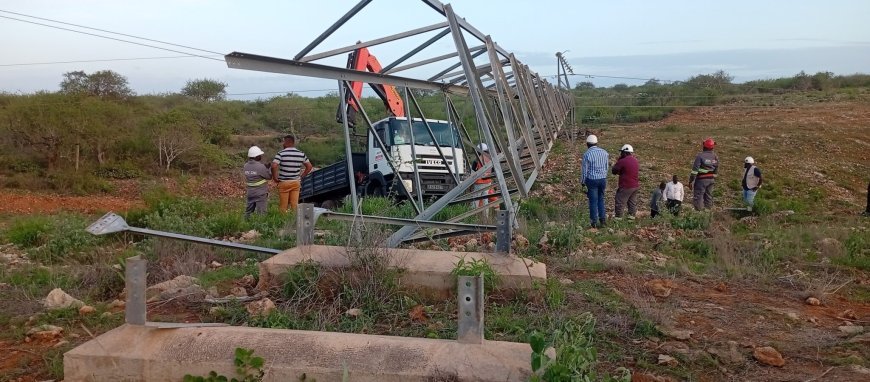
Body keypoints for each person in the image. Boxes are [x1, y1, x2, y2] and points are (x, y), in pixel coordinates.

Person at [272, 135, 313, 212]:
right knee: (294, 206)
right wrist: (302, 176)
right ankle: (295, 222)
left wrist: (275, 178)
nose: (282, 144)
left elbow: (274, 166)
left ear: (286, 142)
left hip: (284, 182)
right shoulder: (301, 154)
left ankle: (283, 222)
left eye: (283, 142)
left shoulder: (281, 153)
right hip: (296, 182)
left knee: (283, 207)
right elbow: (309, 166)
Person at [581, 135, 609, 228]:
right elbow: (606, 167)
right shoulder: (605, 152)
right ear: (596, 143)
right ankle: (603, 220)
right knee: (601, 199)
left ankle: (593, 222)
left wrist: (582, 182)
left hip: (592, 180)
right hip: (602, 179)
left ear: (587, 144)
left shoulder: (587, 154)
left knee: (593, 201)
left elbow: (584, 171)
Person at [688, 138, 719, 211]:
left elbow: (694, 171)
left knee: (698, 196)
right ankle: (708, 212)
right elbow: (716, 170)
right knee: (709, 196)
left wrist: (691, 181)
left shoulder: (700, 156)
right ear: (712, 147)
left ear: (704, 146)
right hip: (711, 180)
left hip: (701, 180)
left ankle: (699, 213)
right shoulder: (715, 157)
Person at [612, 144, 640, 220]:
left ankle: (618, 218)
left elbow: (614, 171)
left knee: (620, 200)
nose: (620, 154)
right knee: (632, 202)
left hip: (626, 185)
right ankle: (631, 218)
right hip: (635, 186)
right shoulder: (635, 160)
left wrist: (619, 160)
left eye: (621, 152)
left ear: (625, 152)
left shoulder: (622, 161)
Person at [243, 146, 271, 219]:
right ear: (256, 156)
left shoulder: (245, 166)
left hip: (250, 193)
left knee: (248, 212)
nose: (261, 156)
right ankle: (260, 227)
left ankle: (245, 225)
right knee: (261, 213)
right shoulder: (261, 167)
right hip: (260, 193)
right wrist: (268, 169)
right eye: (259, 155)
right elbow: (269, 177)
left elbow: (254, 171)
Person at [471, 143, 496, 212]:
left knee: (475, 200)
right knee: (485, 201)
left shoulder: (477, 160)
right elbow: (493, 171)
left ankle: (472, 216)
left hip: (479, 183)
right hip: (488, 183)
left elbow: (472, 173)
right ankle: (486, 218)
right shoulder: (490, 160)